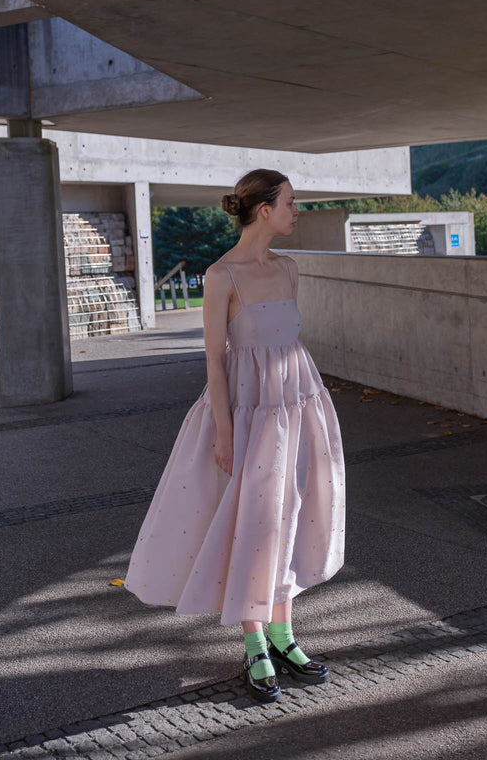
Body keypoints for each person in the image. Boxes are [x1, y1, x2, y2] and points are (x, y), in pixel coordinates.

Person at [125, 169, 346, 702]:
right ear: (265, 210)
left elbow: (290, 346)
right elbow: (215, 363)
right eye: (292, 203)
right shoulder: (221, 276)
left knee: (289, 517)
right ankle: (255, 648)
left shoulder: (290, 269)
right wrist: (225, 434)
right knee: (254, 521)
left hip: (297, 408)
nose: (298, 212)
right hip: (248, 415)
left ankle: (284, 634)